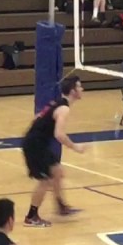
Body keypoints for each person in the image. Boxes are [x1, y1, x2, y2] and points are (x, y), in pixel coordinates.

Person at [22, 75, 86, 228]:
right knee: (45, 180)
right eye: (79, 86)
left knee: (57, 172)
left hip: (39, 143)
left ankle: (61, 207)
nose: (82, 89)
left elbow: (39, 117)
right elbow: (59, 134)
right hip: (35, 145)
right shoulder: (63, 108)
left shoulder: (57, 103)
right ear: (72, 91)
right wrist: (75, 147)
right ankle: (31, 216)